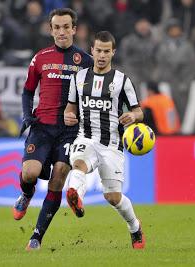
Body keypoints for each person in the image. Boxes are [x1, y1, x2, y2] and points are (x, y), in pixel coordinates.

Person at [13, 8, 93, 251]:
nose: (61, 32)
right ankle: (26, 195)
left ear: (74, 29)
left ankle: (36, 237)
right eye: (56, 27)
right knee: (30, 173)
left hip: (69, 131)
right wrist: (27, 115)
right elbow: (28, 90)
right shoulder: (40, 57)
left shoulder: (86, 61)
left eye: (66, 27)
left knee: (58, 177)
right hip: (42, 127)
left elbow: (92, 97)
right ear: (51, 30)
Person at [64, 31, 146, 249]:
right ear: (92, 50)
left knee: (113, 197)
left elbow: (139, 112)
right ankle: (76, 198)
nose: (101, 55)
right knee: (78, 163)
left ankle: (135, 227)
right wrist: (68, 115)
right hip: (86, 137)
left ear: (113, 52)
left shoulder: (122, 81)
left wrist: (133, 115)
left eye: (106, 51)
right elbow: (70, 107)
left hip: (112, 145)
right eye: (98, 50)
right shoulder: (79, 78)